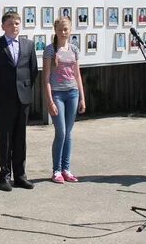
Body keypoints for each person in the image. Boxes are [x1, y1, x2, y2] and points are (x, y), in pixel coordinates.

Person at [0, 11, 38, 192]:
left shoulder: (28, 45)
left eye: (16, 23)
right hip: (3, 99)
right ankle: (4, 175)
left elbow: (33, 71)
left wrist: (24, 89)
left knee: (20, 138)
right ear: (3, 26)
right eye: (10, 24)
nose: (14, 26)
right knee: (5, 138)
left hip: (22, 98)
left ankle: (20, 175)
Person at [42, 17, 86, 183]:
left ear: (70, 30)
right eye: (60, 29)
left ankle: (66, 169)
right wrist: (50, 101)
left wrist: (82, 97)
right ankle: (56, 170)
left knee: (68, 133)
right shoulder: (50, 50)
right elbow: (45, 78)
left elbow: (77, 75)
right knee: (60, 132)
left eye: (66, 29)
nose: (63, 32)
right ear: (55, 30)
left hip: (72, 93)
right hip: (57, 94)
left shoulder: (74, 49)